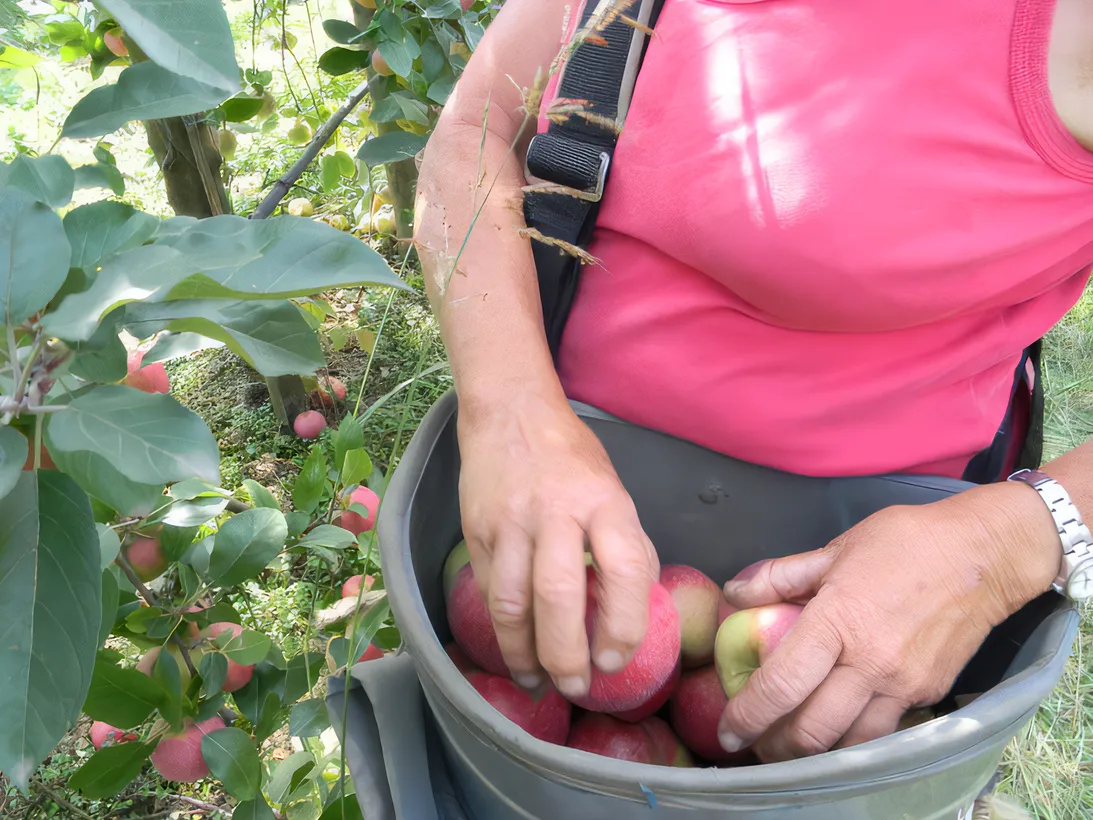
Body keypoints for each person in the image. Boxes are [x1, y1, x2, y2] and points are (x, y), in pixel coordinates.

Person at [412, 0, 1093, 763]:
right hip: (555, 508)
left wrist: (1009, 540)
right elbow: (475, 131)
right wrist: (510, 411)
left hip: (868, 590)